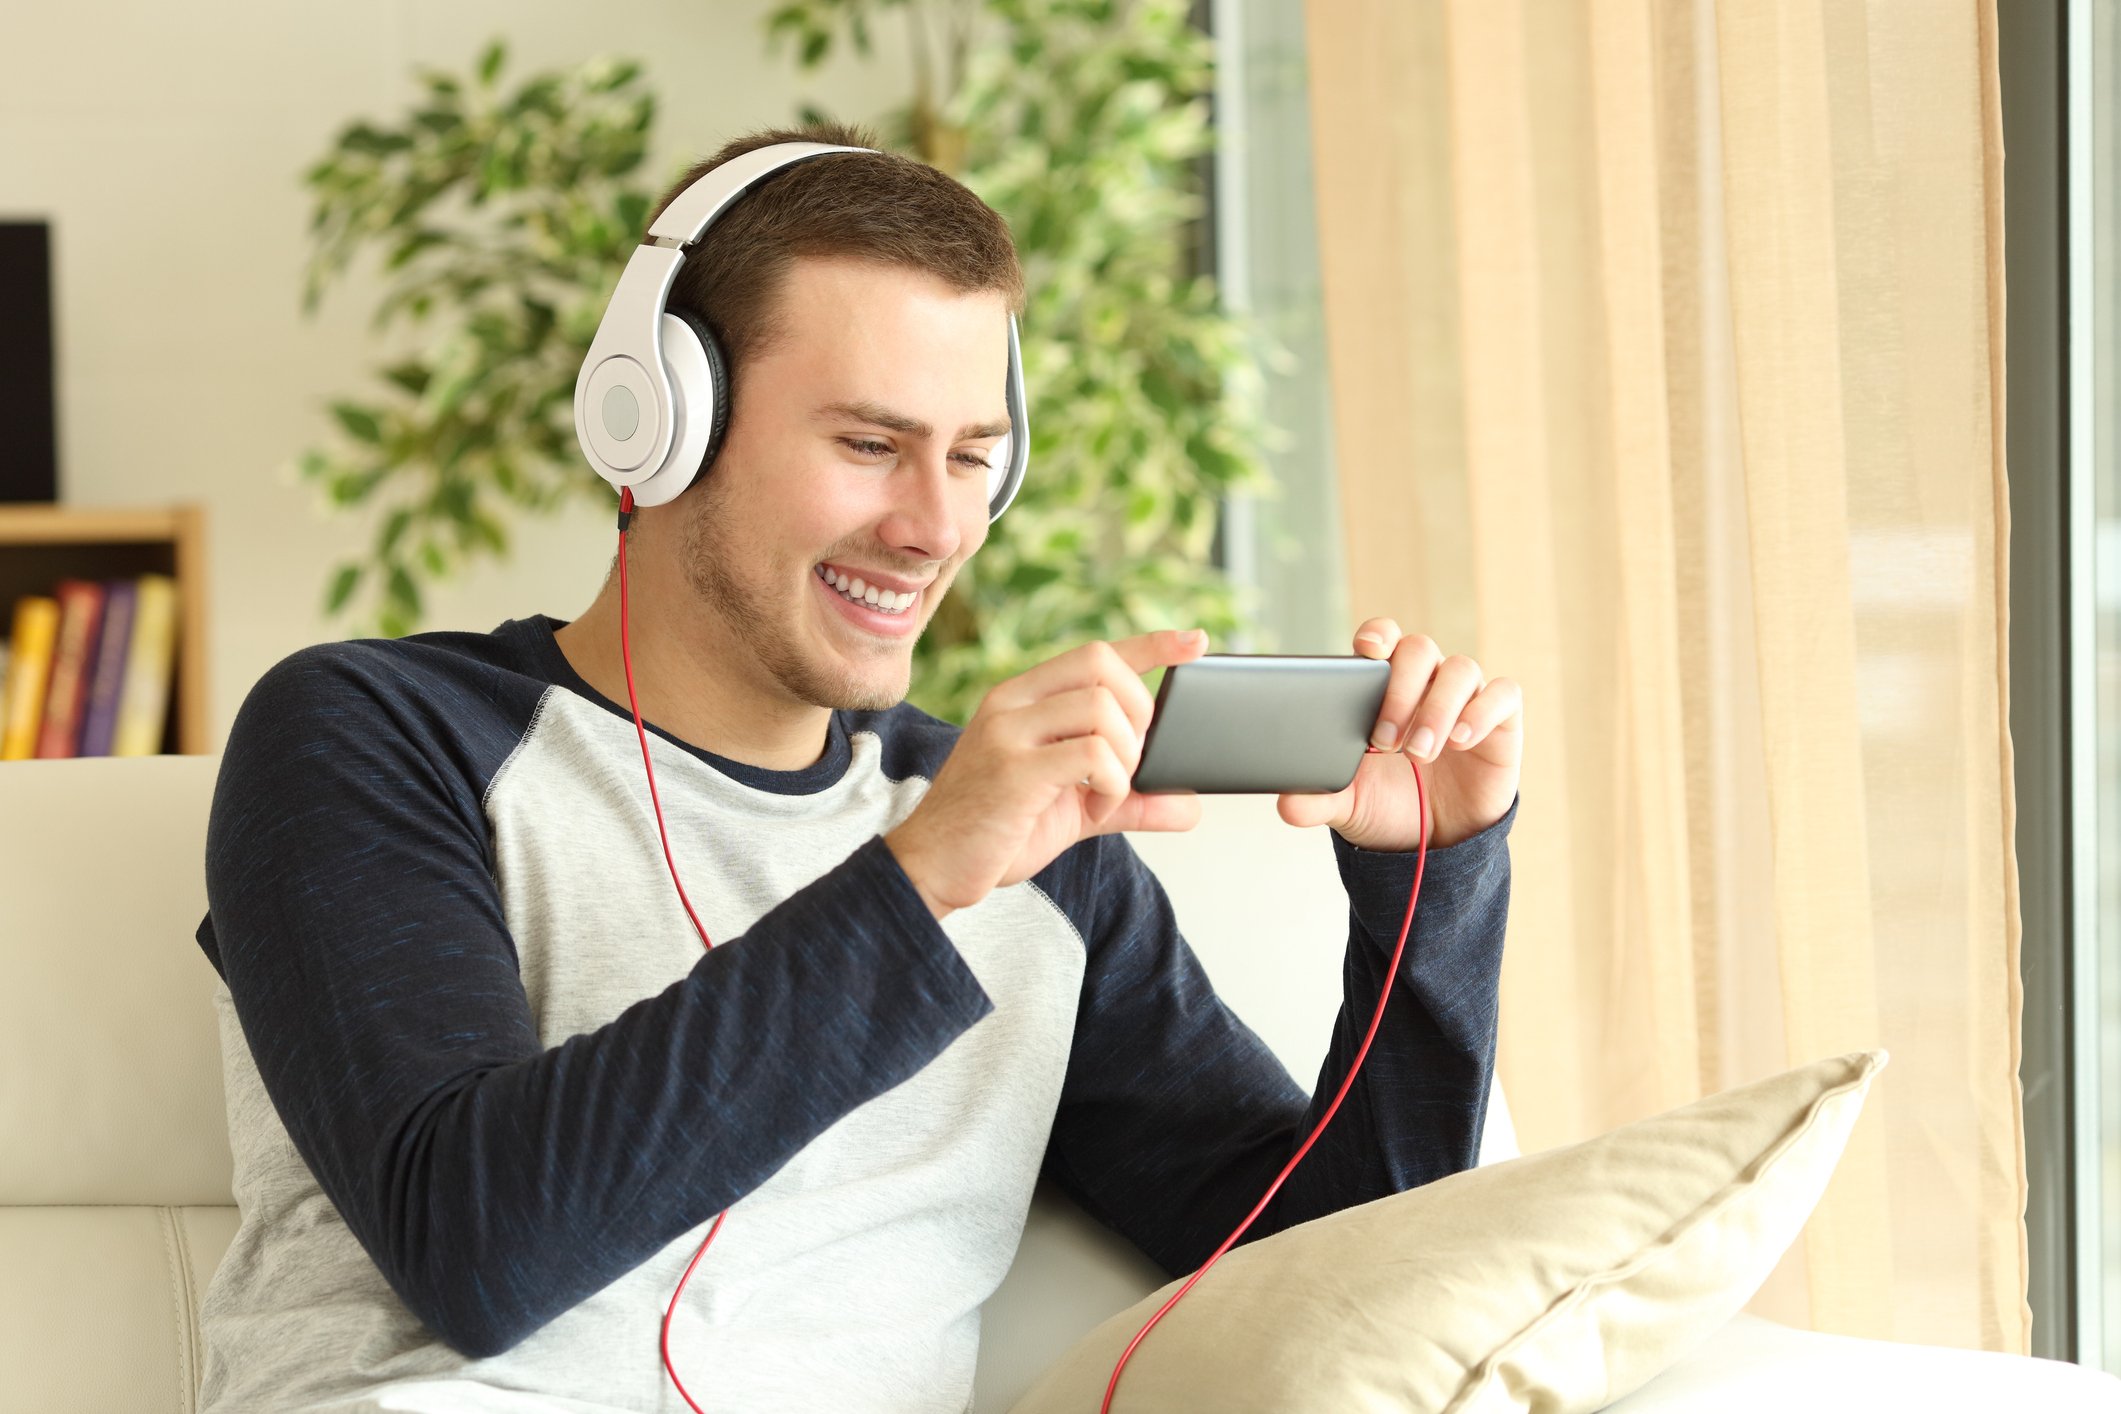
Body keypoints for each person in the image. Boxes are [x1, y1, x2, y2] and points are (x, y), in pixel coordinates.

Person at [193, 120, 1523, 1414]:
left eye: (973, 459)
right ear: (659, 420)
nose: (935, 528)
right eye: (871, 446)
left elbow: (1330, 1282)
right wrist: (923, 875)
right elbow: (480, 1247)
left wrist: (1432, 889)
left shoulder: (1042, 856)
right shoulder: (375, 733)